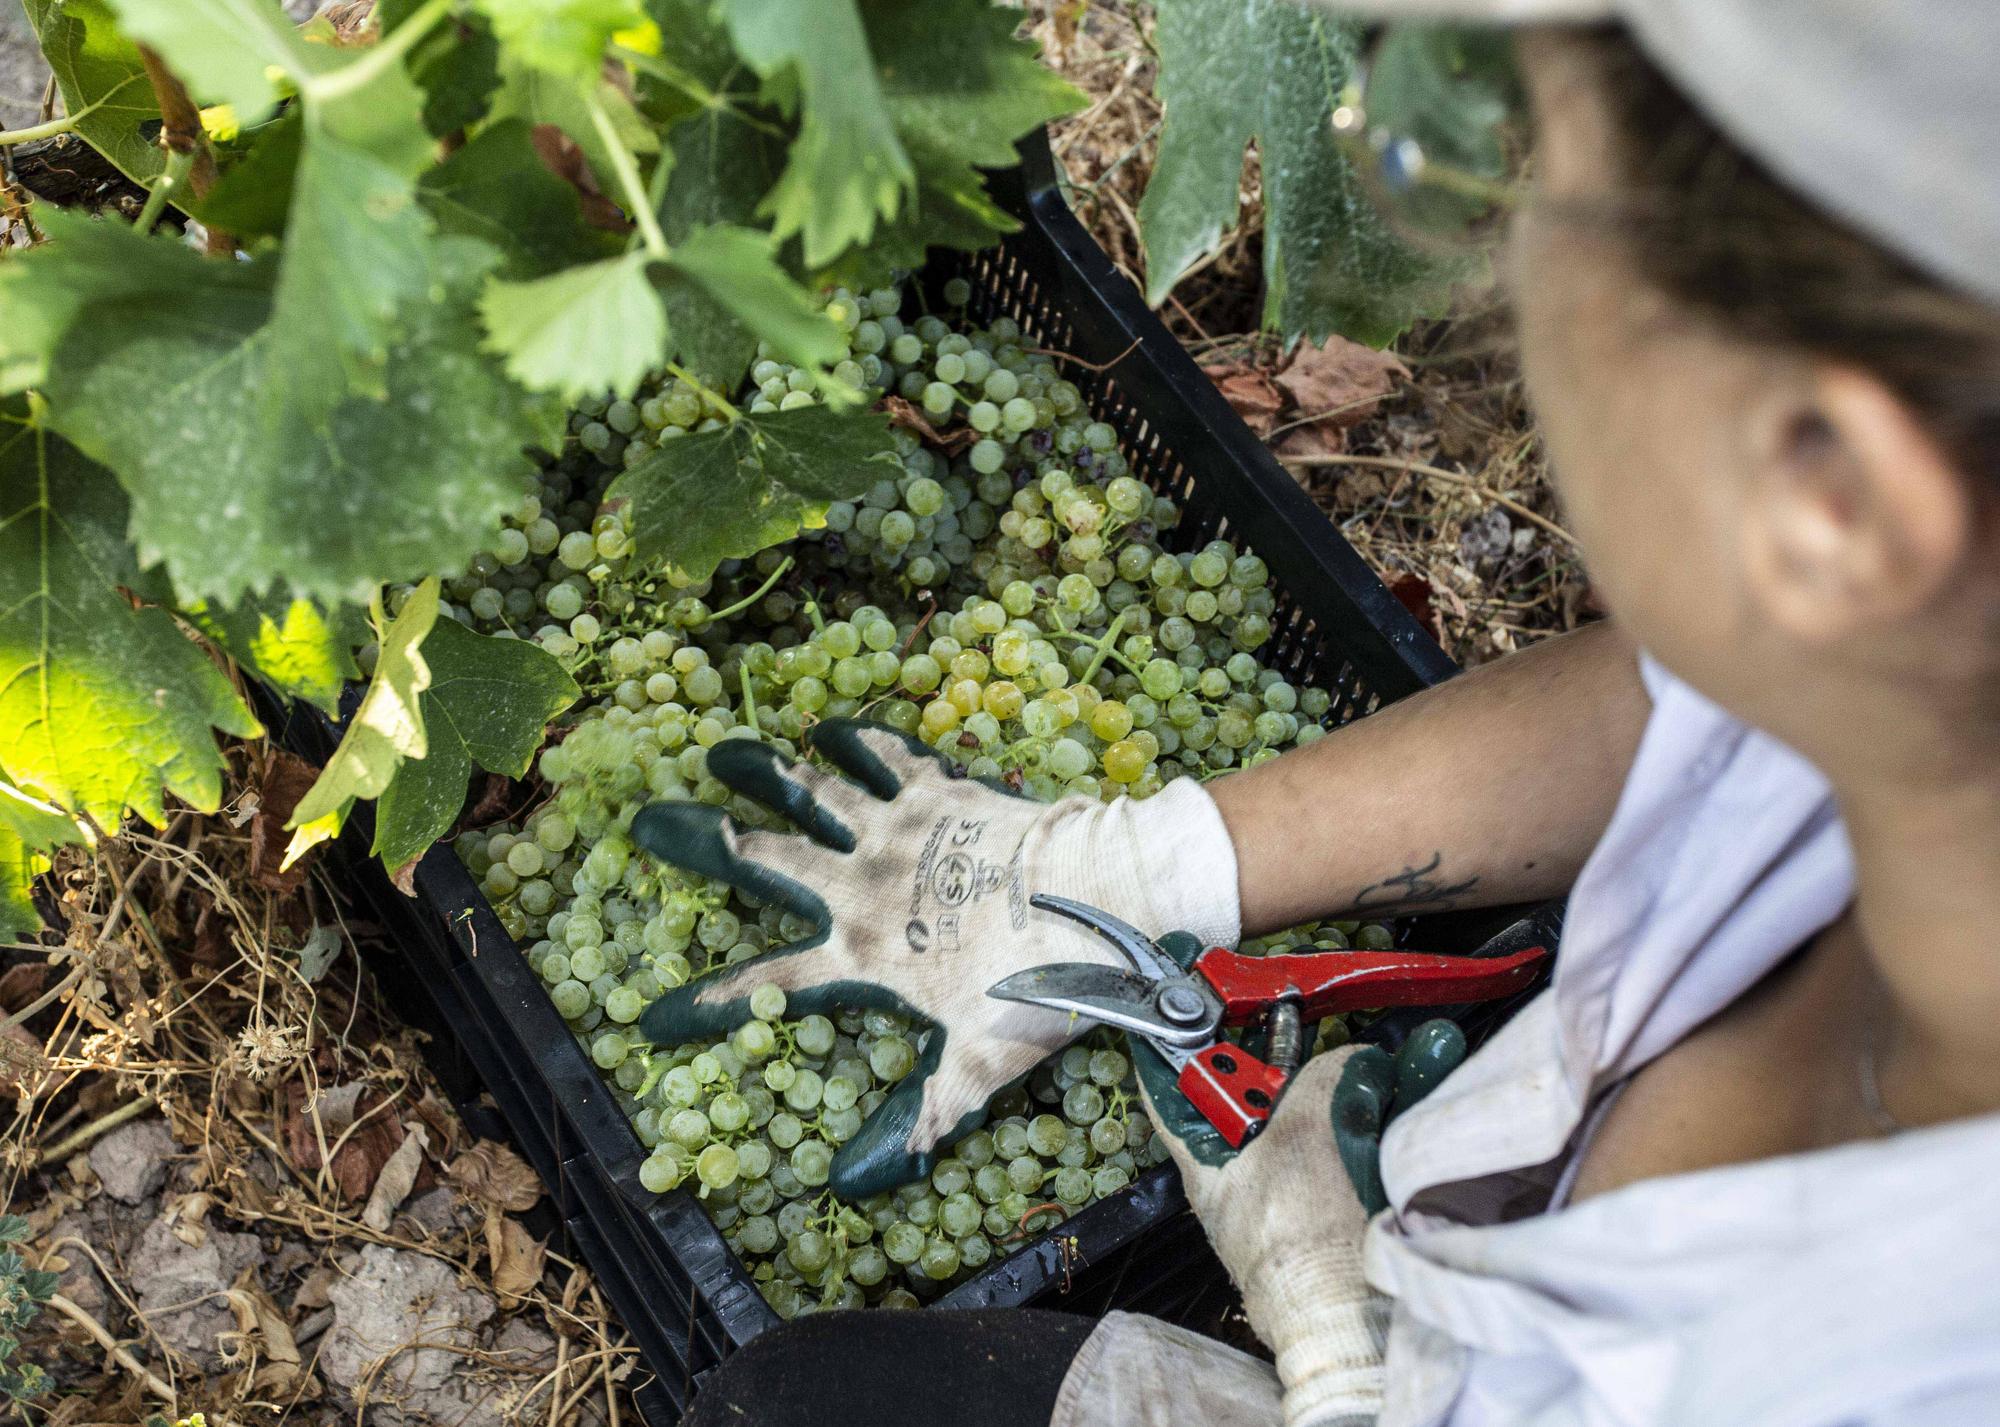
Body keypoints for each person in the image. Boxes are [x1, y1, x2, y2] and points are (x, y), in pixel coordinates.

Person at [636, 1, 2000, 1422]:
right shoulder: (1916, 664)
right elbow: (1693, 704)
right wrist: (1130, 866)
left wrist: (1348, 1381)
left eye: (1520, 181)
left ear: (1832, 491)